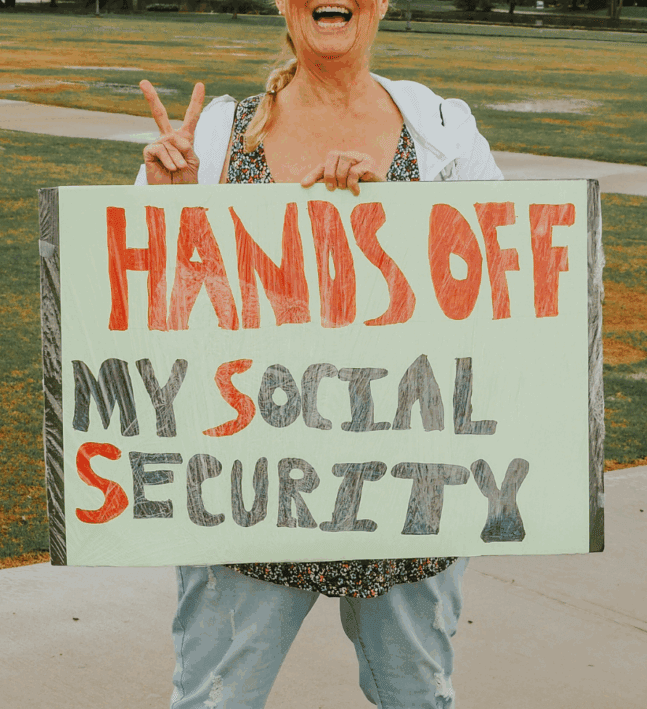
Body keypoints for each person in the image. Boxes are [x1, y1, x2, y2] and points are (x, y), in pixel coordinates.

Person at [136, 1, 502, 706]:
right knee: (216, 698)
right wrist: (174, 210)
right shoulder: (216, 136)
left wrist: (396, 218)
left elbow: (504, 300)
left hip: (407, 494)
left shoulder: (444, 132)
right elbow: (154, 316)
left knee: (418, 696)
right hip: (247, 492)